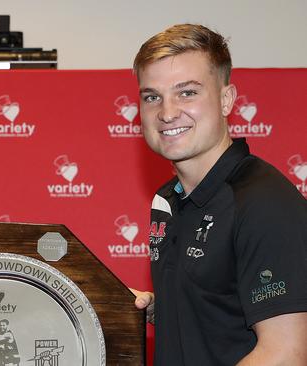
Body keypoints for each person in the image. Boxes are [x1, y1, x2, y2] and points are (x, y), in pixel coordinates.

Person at [130, 24, 307, 365]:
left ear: (226, 100)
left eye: (187, 93)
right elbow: (222, 308)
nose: (167, 113)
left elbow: (287, 353)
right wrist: (162, 308)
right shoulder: (167, 199)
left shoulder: (264, 203)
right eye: (152, 96)